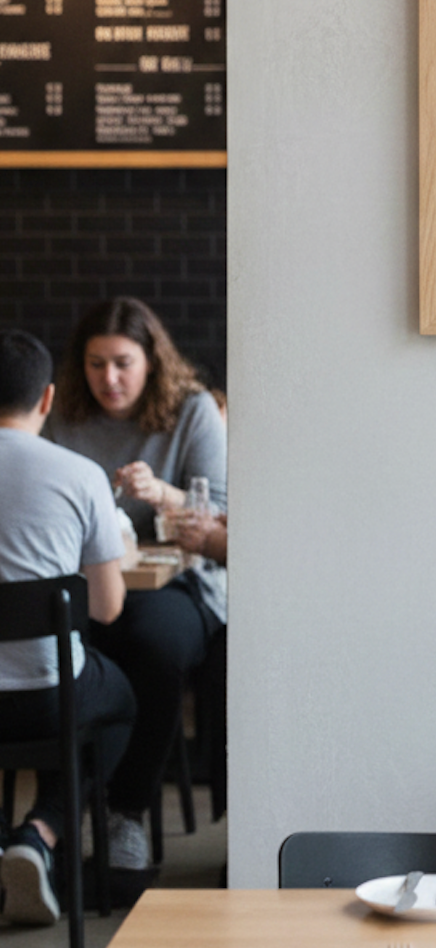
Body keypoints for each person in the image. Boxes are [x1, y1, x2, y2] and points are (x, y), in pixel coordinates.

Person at [48, 299, 226, 873]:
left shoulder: (191, 410)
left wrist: (163, 495)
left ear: (152, 361)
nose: (110, 379)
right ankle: (60, 813)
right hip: (90, 583)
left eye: (123, 363)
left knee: (154, 643)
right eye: (96, 364)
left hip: (183, 585)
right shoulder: (64, 417)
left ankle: (124, 812)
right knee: (58, 637)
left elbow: (224, 515)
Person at [0, 330, 136, 927]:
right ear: (48, 398)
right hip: (49, 695)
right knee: (120, 703)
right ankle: (40, 832)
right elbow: (106, 609)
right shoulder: (79, 474)